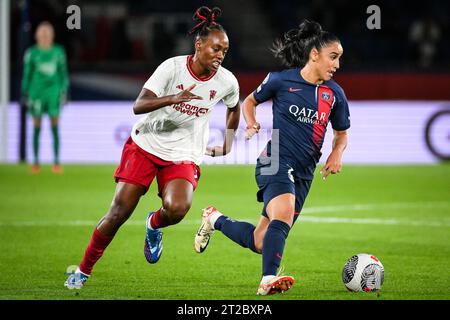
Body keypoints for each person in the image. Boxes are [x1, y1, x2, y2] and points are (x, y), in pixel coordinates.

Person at [64, 6, 240, 289]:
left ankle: (154, 225)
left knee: (178, 208)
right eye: (215, 48)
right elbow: (139, 105)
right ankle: (82, 272)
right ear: (199, 45)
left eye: (225, 51)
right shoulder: (171, 68)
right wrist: (172, 98)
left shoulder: (226, 81)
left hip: (183, 152)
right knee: (118, 213)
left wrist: (228, 144)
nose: (220, 55)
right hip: (145, 145)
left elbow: (234, 108)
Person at [194, 20, 350, 296]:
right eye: (333, 57)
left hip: (304, 173)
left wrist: (336, 152)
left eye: (339, 59)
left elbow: (341, 133)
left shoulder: (334, 94)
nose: (337, 65)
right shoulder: (281, 80)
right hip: (275, 159)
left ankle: (214, 219)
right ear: (315, 54)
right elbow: (250, 101)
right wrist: (251, 123)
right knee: (284, 214)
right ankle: (268, 279)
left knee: (261, 241)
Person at [21, 21, 69, 174]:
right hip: (36, 93)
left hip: (53, 93)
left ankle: (56, 162)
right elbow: (27, 75)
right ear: (37, 36)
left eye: (47, 33)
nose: (45, 36)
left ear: (52, 35)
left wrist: (64, 91)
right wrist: (25, 92)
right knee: (36, 126)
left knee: (55, 126)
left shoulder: (58, 52)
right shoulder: (32, 53)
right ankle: (35, 162)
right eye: (42, 33)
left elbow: (63, 74)